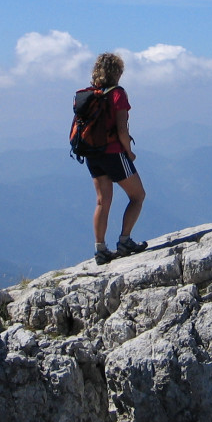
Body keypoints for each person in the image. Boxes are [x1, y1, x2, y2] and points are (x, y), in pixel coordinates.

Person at [84, 52, 147, 264]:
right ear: (117, 72)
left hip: (92, 154)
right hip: (113, 153)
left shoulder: (90, 95)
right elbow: (122, 129)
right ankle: (125, 240)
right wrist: (128, 152)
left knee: (102, 201)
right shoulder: (117, 94)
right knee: (138, 196)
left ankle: (100, 249)